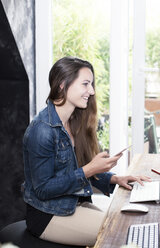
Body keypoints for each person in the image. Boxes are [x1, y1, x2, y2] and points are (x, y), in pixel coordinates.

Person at [21, 56, 150, 246]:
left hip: (73, 205)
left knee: (128, 224)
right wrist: (90, 169)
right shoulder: (42, 130)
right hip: (47, 216)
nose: (92, 91)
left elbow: (75, 170)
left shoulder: (73, 122)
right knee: (122, 233)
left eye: (91, 84)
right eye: (86, 84)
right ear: (63, 85)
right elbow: (43, 190)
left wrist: (115, 179)